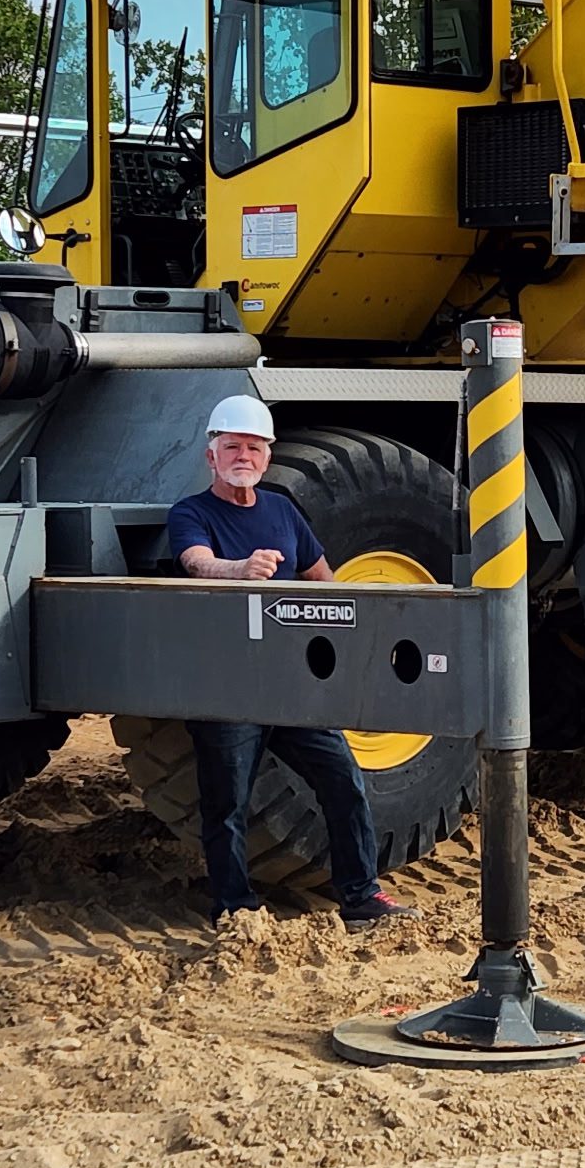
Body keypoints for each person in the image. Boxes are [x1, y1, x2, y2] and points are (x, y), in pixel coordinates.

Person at [167, 395, 413, 931]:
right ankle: (234, 906)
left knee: (343, 780)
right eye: (231, 446)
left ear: (267, 455)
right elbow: (196, 563)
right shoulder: (192, 514)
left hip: (291, 686)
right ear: (211, 456)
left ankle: (361, 895)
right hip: (227, 689)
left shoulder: (282, 510)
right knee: (226, 805)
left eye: (253, 448)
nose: (243, 456)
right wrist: (242, 570)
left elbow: (322, 579)